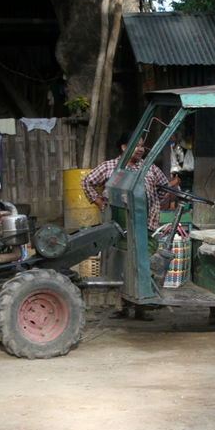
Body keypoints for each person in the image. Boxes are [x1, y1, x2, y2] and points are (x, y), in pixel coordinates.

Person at [81, 130, 171, 321]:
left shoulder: (150, 168)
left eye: (142, 146)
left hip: (144, 225)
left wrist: (154, 205)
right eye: (136, 146)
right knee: (120, 265)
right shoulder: (110, 167)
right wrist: (99, 202)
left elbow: (164, 188)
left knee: (142, 265)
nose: (140, 149)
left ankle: (142, 307)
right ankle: (121, 307)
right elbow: (87, 181)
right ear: (124, 147)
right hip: (118, 227)